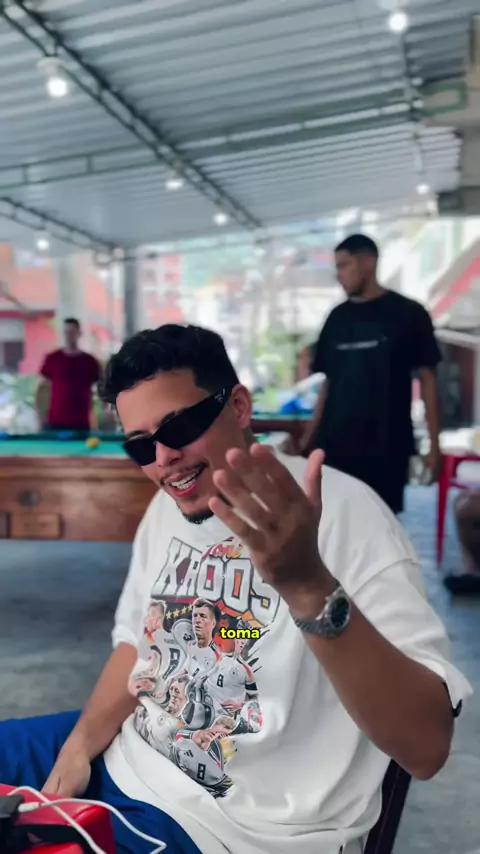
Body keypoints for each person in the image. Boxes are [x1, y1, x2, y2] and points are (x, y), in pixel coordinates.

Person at [0, 324, 470, 854]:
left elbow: (426, 748)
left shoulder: (348, 514)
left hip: (232, 830)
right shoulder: (167, 508)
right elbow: (137, 644)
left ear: (240, 407)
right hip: (128, 755)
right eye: (141, 445)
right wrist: (80, 746)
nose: (163, 458)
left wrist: (308, 586)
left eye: (180, 427)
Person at [294, 233, 442, 514]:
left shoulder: (409, 314)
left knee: (380, 524)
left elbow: (428, 380)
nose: (338, 275)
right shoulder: (336, 318)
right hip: (335, 445)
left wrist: (435, 445)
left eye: (344, 265)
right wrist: (308, 439)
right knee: (333, 522)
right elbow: (328, 384)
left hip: (387, 445)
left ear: (368, 262)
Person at [35, 317, 101, 433]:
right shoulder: (52, 359)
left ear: (79, 333)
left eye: (72, 332)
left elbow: (101, 389)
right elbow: (41, 389)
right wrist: (40, 416)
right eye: (66, 332)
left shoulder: (90, 361)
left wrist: (104, 413)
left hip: (81, 422)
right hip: (55, 421)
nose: (69, 336)